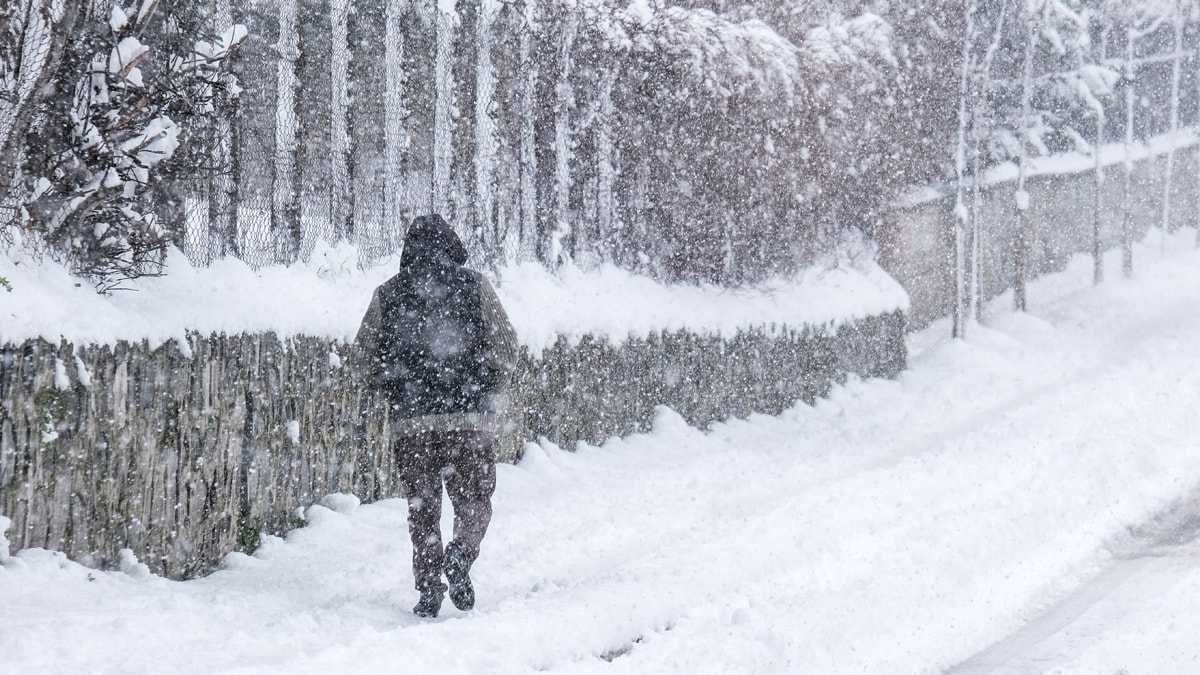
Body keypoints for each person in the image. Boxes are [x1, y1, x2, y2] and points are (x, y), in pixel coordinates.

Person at [356, 214, 518, 618]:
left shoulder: (387, 294)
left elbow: (361, 360)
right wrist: (487, 386)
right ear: (453, 245)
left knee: (422, 507)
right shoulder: (475, 285)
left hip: (412, 423)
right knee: (475, 500)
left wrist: (393, 385)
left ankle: (429, 587)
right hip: (469, 419)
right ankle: (461, 554)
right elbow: (507, 346)